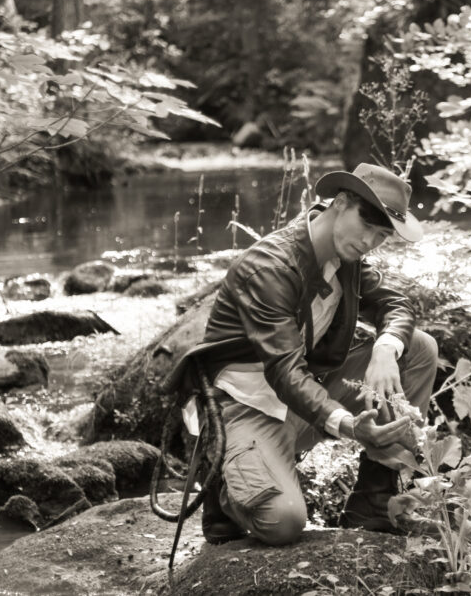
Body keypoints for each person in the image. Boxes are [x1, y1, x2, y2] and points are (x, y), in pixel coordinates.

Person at [174, 163, 438, 546]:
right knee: (283, 522)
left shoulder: (345, 259)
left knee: (417, 349)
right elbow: (284, 372)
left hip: (301, 399)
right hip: (243, 404)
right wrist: (348, 424)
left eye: (381, 235)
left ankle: (374, 505)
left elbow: (397, 304)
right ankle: (223, 483)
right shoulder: (269, 267)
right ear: (341, 202)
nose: (369, 242)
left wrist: (384, 348)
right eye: (366, 226)